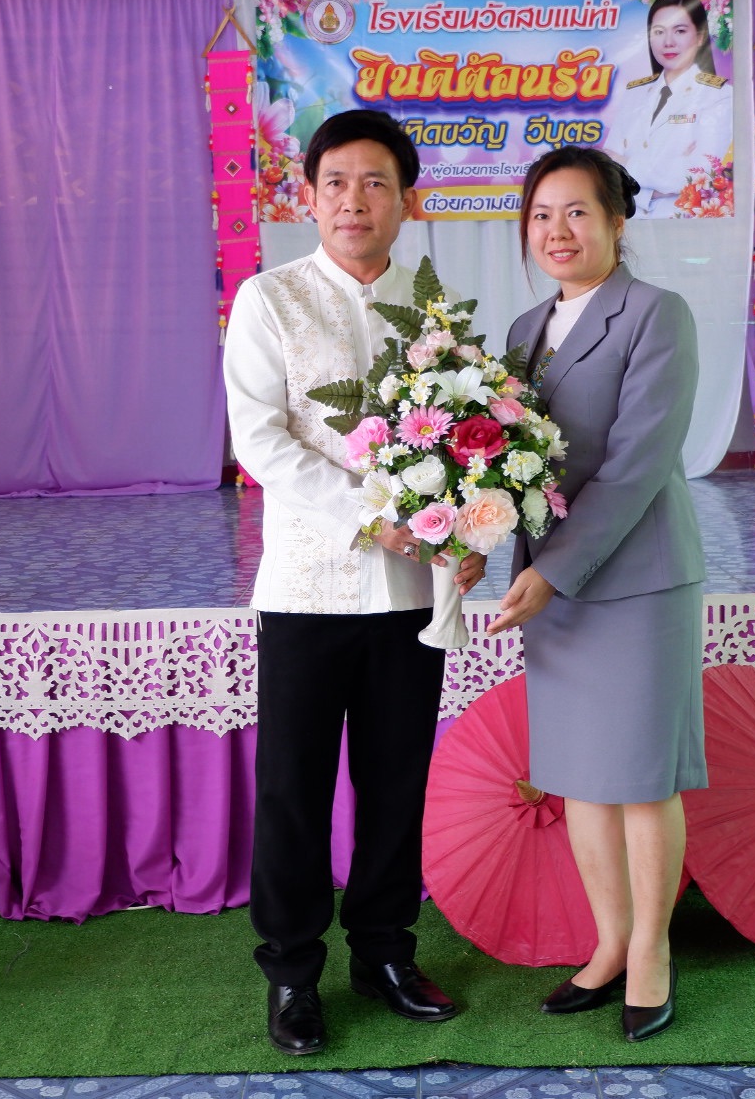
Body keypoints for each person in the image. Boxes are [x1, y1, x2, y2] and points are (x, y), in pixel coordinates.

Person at [223, 109, 487, 1057]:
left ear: (407, 201)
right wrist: (368, 517)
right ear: (309, 197)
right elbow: (260, 440)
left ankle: (384, 953)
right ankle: (293, 971)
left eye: (376, 183)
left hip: (412, 593)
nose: (354, 201)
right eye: (335, 183)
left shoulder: (435, 311)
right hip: (308, 587)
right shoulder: (270, 299)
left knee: (395, 782)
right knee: (293, 789)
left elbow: (471, 440)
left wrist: (474, 523)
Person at [488, 146, 707, 1043]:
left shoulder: (657, 314)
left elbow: (637, 465)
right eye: (542, 215)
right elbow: (503, 465)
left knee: (641, 778)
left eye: (578, 212)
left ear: (617, 222)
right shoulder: (522, 331)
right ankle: (609, 943)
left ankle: (652, 951)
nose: (558, 231)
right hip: (554, 584)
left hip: (636, 577)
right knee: (581, 774)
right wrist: (469, 538)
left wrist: (553, 571)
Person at [601, 0, 732, 218]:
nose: (668, 42)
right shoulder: (634, 94)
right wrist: (658, 184)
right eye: (659, 32)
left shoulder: (719, 96)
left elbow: (698, 175)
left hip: (683, 223)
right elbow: (609, 170)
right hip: (630, 222)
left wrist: (627, 164)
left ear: (700, 37)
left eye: (679, 31)